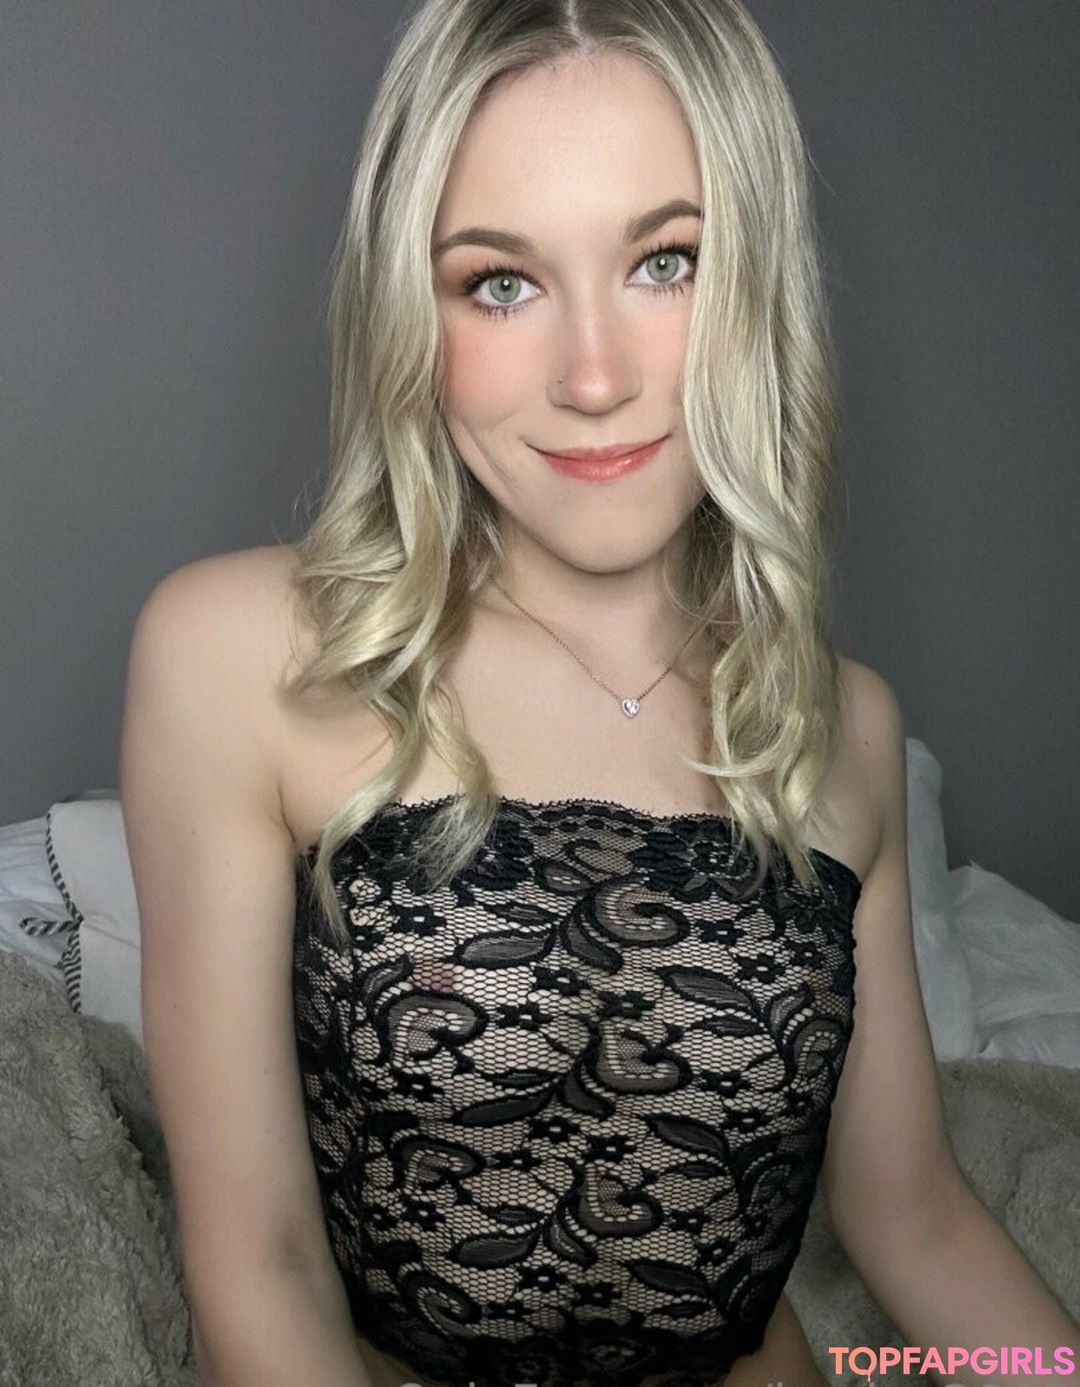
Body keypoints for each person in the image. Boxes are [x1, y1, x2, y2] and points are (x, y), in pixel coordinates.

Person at [118, 1, 1080, 1385]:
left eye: (666, 264)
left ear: (755, 285)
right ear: (410, 313)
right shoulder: (230, 656)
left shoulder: (841, 725)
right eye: (500, 283)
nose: (593, 377)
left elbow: (913, 1217)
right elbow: (260, 1263)